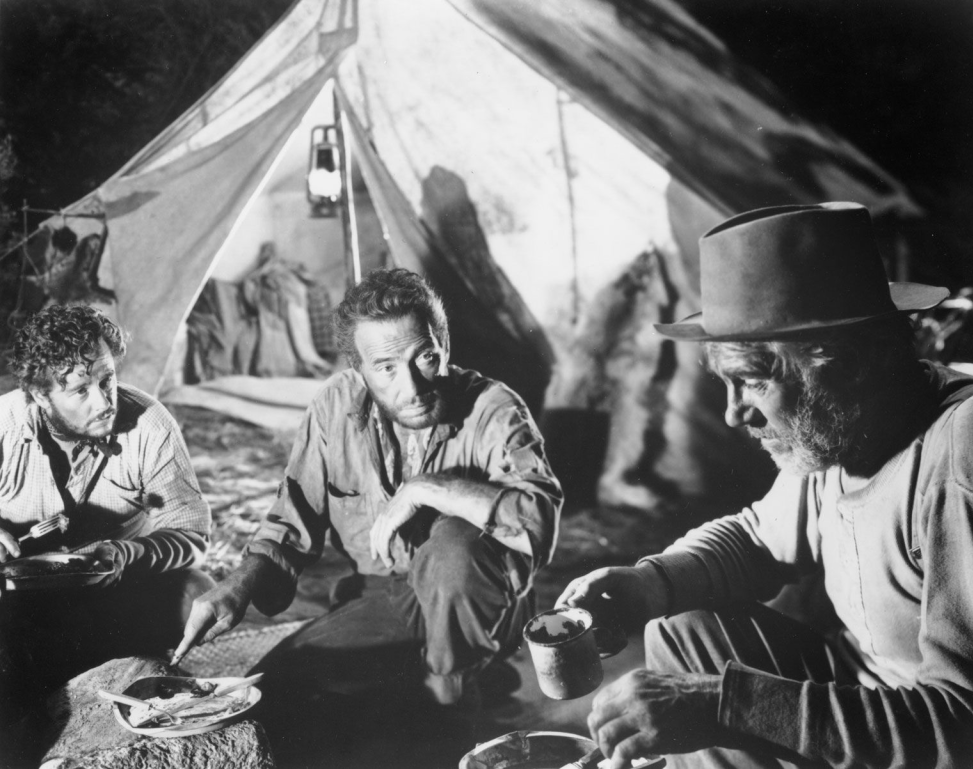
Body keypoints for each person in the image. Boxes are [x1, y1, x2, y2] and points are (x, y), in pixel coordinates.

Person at [557, 202, 973, 769]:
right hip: (870, 698)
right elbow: (758, 538)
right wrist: (647, 583)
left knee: (700, 697)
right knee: (681, 630)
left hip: (940, 736)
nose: (733, 414)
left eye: (751, 382)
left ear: (845, 364)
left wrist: (726, 706)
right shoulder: (845, 431)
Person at [173, 268, 562, 711]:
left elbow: (538, 522)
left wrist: (428, 488)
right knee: (276, 693)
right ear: (358, 370)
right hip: (387, 595)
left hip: (483, 601)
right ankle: (435, 679)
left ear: (445, 345)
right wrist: (238, 585)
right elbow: (291, 520)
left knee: (455, 544)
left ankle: (452, 692)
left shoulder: (493, 408)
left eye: (425, 357)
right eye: (386, 368)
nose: (412, 388)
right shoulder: (334, 406)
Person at [0, 305, 213, 747]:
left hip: (113, 589)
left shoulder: (150, 424)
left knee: (197, 592)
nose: (103, 402)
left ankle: (113, 669)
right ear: (40, 395)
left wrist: (130, 553)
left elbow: (191, 533)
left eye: (107, 379)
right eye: (80, 390)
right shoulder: (4, 424)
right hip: (16, 598)